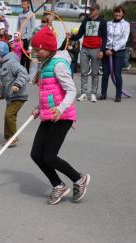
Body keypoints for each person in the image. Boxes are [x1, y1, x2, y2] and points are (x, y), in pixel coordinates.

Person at [30, 27, 90, 205]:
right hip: (49, 115)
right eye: (34, 49)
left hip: (63, 117)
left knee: (49, 156)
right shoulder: (46, 64)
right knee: (36, 154)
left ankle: (79, 179)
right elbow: (48, 93)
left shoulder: (59, 65)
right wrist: (38, 108)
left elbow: (71, 90)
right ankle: (58, 185)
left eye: (38, 49)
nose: (35, 53)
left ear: (48, 48)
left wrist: (61, 109)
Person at [0, 41, 28, 147]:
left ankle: (13, 138)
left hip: (19, 95)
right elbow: (4, 84)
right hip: (10, 96)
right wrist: (0, 94)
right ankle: (8, 137)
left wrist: (17, 84)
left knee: (9, 115)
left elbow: (23, 72)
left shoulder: (11, 62)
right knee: (8, 115)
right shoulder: (3, 65)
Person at [69, 3, 107, 103]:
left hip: (96, 50)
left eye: (93, 10)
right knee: (84, 72)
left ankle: (93, 93)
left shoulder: (103, 22)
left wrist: (102, 51)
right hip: (85, 49)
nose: (90, 12)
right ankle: (83, 93)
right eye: (90, 10)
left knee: (95, 73)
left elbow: (105, 38)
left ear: (97, 11)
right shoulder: (85, 21)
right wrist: (71, 37)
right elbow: (79, 35)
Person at [99, 6, 130, 103]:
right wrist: (105, 49)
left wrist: (113, 50)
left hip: (118, 52)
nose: (117, 14)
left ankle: (118, 95)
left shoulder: (126, 24)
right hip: (106, 51)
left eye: (119, 12)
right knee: (105, 74)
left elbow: (124, 40)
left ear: (123, 14)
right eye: (116, 12)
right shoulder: (108, 23)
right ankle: (103, 94)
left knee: (117, 74)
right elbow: (103, 37)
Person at [17, 0, 35, 73]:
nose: (23, 5)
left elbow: (33, 27)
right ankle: (20, 71)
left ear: (28, 5)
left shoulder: (31, 14)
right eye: (22, 4)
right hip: (21, 37)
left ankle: (27, 71)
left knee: (26, 55)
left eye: (24, 4)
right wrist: (18, 35)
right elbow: (18, 26)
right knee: (20, 55)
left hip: (27, 38)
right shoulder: (20, 15)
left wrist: (28, 36)